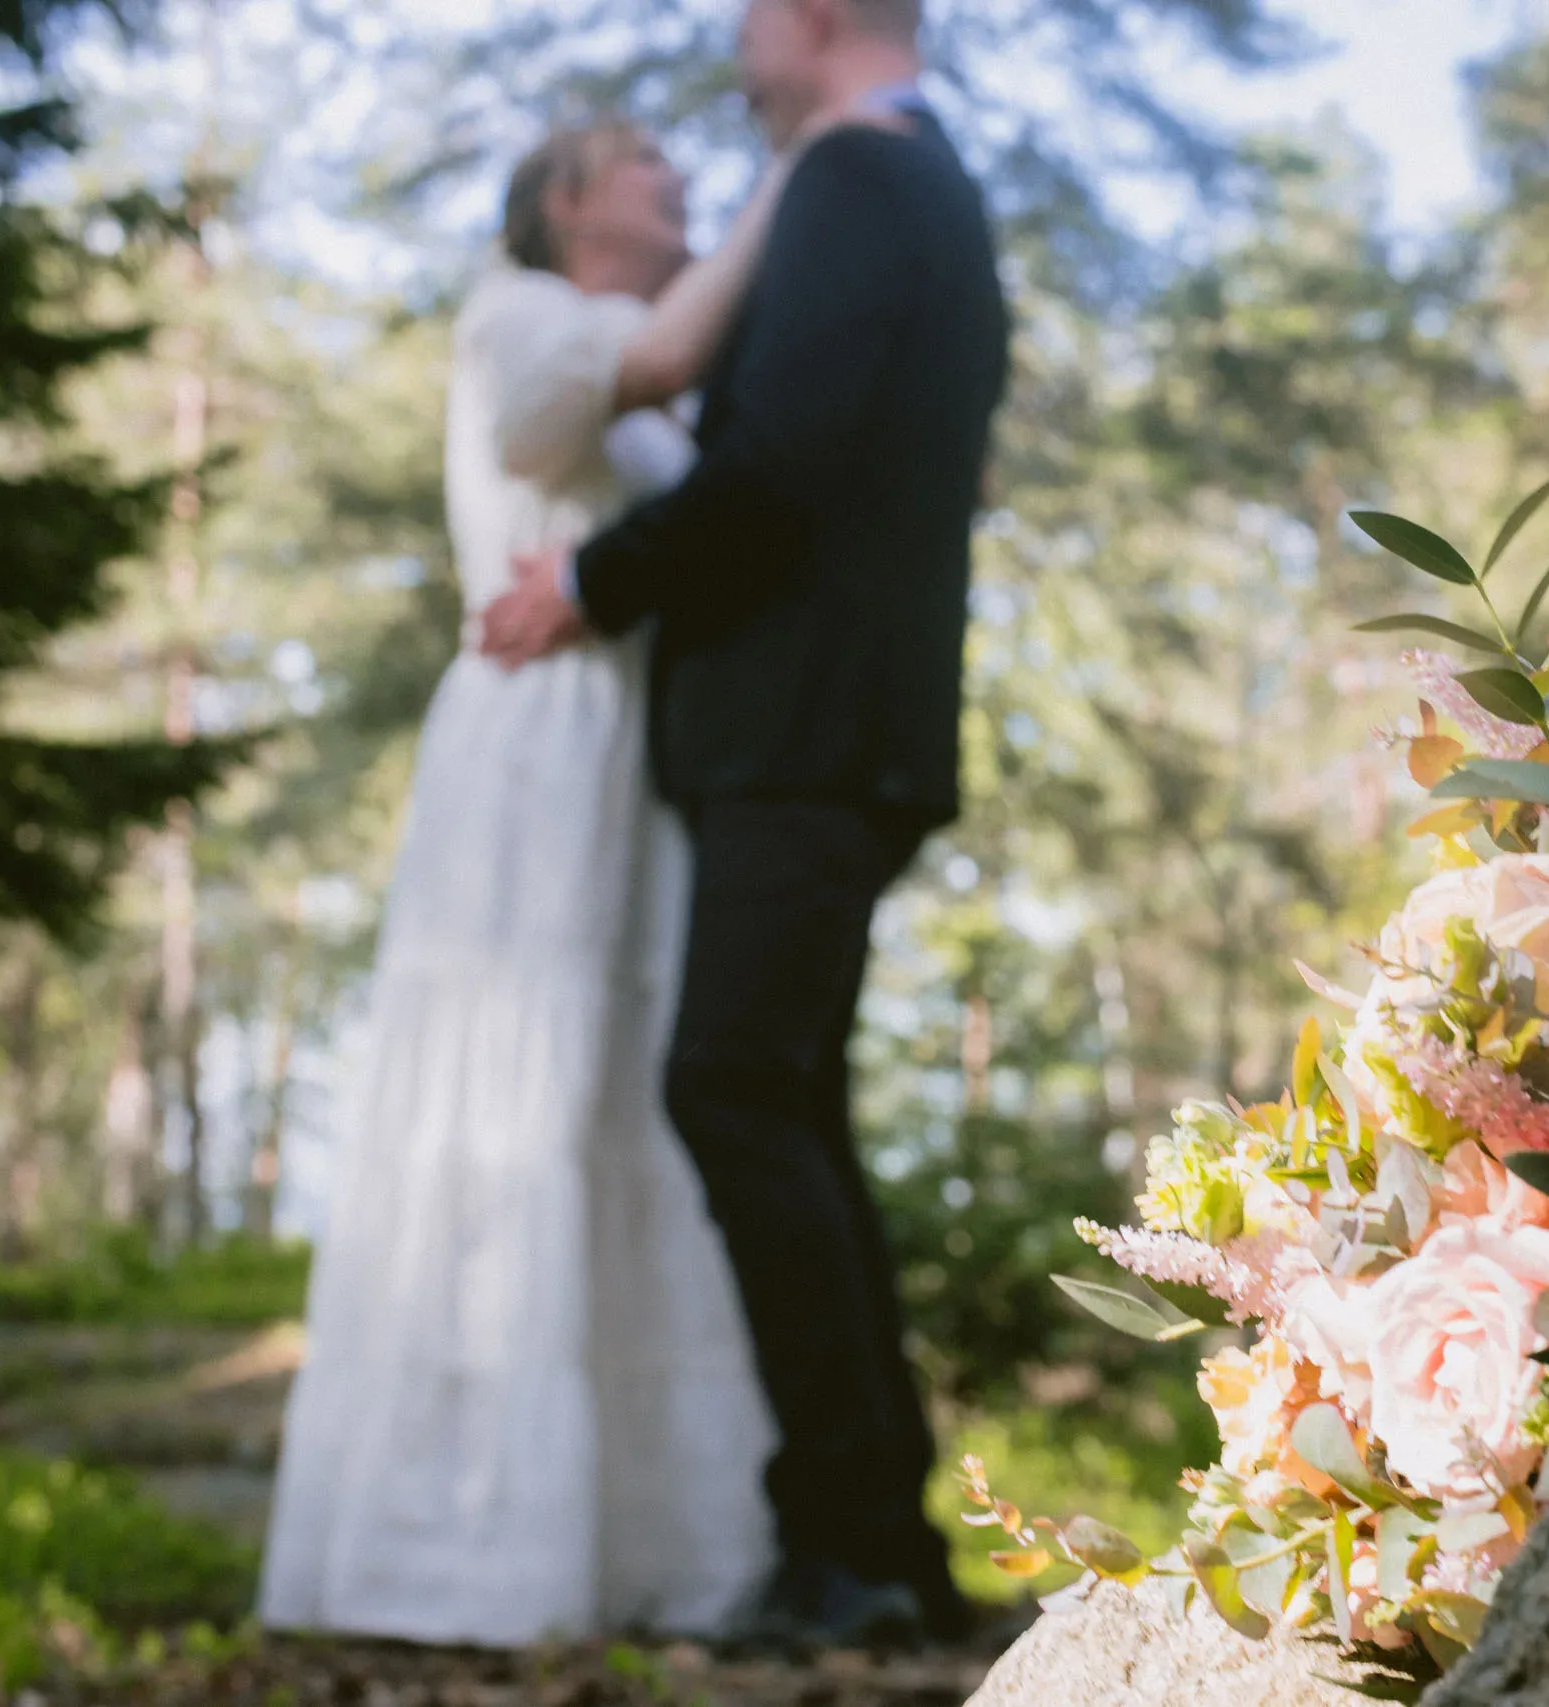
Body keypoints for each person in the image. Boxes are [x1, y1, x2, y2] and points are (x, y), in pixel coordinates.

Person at [479, 0, 1011, 1651]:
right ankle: (878, 1542)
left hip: (803, 730)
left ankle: (850, 1546)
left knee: (732, 1086)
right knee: (783, 1098)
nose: (729, 48)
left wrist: (589, 578)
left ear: (821, 15)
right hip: (837, 732)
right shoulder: (906, 178)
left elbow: (776, 467)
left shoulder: (864, 177)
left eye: (747, 16)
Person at [257, 123, 792, 1645]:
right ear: (568, 204)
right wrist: (795, 178)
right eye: (642, 162)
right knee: (518, 1092)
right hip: (539, 742)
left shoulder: (648, 340)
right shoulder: (527, 316)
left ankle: (647, 1541)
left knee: (630, 1092)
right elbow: (573, 406)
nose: (675, 177)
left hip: (643, 747)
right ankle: (463, 1543)